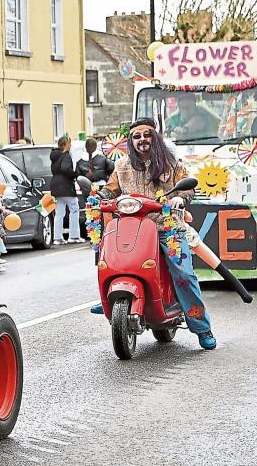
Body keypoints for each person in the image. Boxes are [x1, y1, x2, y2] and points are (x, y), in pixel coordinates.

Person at [96, 117, 216, 350]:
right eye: (136, 136)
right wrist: (97, 198)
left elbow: (188, 185)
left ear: (155, 137)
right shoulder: (121, 166)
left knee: (184, 273)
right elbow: (109, 190)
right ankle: (111, 298)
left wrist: (181, 197)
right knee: (106, 258)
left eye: (146, 134)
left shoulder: (170, 163)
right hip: (131, 229)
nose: (142, 140)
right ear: (131, 141)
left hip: (167, 228)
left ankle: (202, 327)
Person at [51, 136, 84, 245]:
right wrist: (74, 174)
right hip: (66, 186)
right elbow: (65, 168)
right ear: (65, 144)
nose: (70, 146)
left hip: (55, 186)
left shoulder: (54, 156)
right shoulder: (66, 156)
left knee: (59, 213)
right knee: (74, 209)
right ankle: (74, 236)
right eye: (69, 144)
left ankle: (57, 238)